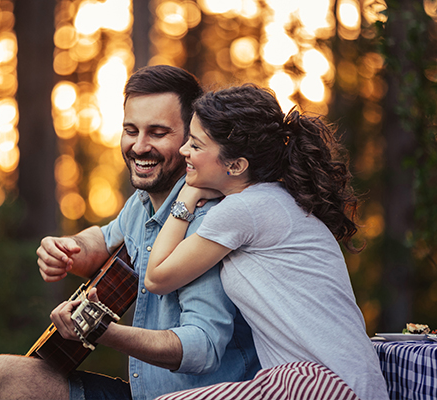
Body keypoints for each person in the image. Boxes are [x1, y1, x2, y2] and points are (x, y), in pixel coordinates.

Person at [0, 65, 259, 400]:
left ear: (190, 138)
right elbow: (105, 240)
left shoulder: (207, 221)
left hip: (199, 395)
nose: (139, 146)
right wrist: (67, 249)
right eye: (131, 130)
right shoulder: (142, 203)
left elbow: (202, 348)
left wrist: (103, 331)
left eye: (158, 133)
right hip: (143, 393)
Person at [145, 84, 389, 400]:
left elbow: (156, 277)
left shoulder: (244, 209)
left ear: (236, 165)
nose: (183, 151)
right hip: (324, 382)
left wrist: (186, 197)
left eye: (196, 144)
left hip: (327, 387)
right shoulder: (270, 199)